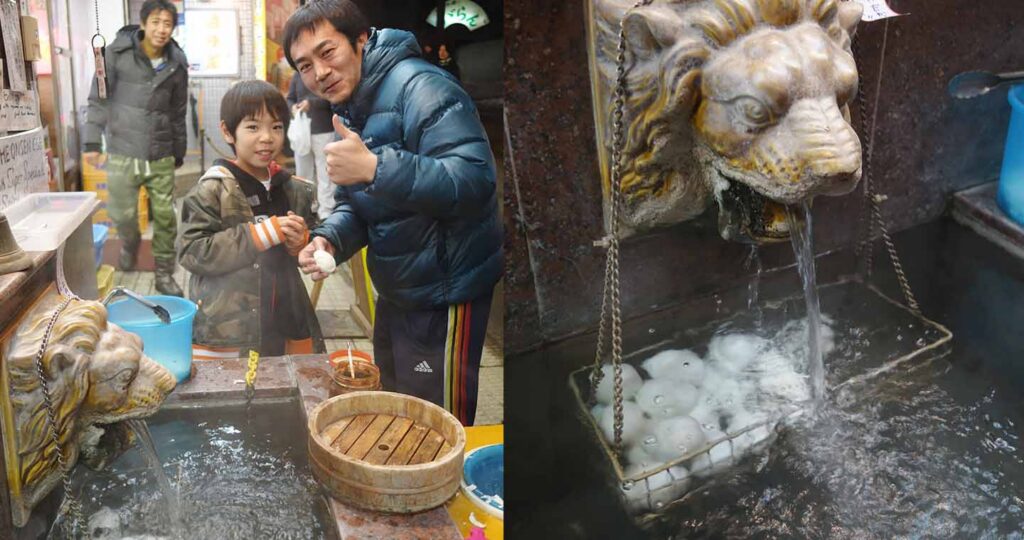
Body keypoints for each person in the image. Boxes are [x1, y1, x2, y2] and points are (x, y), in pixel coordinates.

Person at [283, 0, 501, 426]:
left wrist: (376, 167)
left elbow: (474, 180)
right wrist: (330, 238)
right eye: (304, 65)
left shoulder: (422, 87)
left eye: (328, 53)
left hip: (446, 290)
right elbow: (359, 205)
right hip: (398, 288)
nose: (319, 73)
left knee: (437, 424)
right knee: (397, 407)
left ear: (361, 39)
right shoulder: (354, 103)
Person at [176, 80, 324, 360]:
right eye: (253, 127)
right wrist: (262, 233)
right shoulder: (213, 189)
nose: (267, 137)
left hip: (286, 322)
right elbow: (191, 251)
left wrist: (302, 244)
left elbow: (310, 246)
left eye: (276, 126)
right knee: (236, 395)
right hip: (230, 330)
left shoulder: (294, 189)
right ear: (227, 131)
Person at [82, 0, 188, 297]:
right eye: (155, 22)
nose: (161, 29)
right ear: (143, 23)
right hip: (123, 149)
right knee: (122, 214)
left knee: (166, 215)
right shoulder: (116, 53)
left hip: (160, 151)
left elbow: (178, 111)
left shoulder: (177, 62)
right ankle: (130, 244)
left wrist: (179, 149)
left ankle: (165, 272)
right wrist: (92, 140)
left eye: (167, 23)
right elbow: (99, 98)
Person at [286, 72, 337, 220]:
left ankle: (326, 210)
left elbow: (332, 98)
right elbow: (290, 98)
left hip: (324, 129)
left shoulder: (323, 72)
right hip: (302, 132)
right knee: (303, 173)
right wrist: (293, 107)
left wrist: (311, 103)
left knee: (325, 171)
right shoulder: (297, 75)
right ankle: (308, 206)